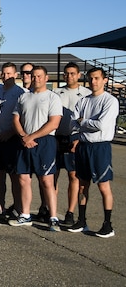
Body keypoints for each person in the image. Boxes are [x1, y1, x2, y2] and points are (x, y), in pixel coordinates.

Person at [9, 65, 63, 231]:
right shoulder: (23, 97)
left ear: (46, 78)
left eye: (39, 76)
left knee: (47, 180)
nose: (36, 79)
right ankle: (25, 215)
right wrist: (24, 136)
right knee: (23, 179)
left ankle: (53, 217)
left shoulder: (52, 98)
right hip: (24, 141)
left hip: (44, 142)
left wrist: (32, 136)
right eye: (33, 76)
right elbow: (16, 119)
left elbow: (54, 122)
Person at [68, 67, 119, 238]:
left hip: (100, 147)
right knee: (83, 185)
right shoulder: (83, 101)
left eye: (97, 78)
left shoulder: (110, 101)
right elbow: (72, 124)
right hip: (83, 146)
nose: (93, 82)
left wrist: (83, 121)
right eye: (91, 78)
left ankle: (108, 224)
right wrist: (85, 123)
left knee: (103, 186)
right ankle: (81, 219)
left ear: (104, 80)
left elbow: (102, 125)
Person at [53, 62, 91, 225]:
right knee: (51, 176)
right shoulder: (56, 92)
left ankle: (70, 212)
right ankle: (48, 208)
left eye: (73, 73)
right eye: (67, 73)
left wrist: (78, 138)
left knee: (73, 176)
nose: (69, 76)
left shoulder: (86, 94)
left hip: (74, 139)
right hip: (56, 137)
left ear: (79, 75)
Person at [0, 62, 27, 221]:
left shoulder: (22, 93)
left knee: (14, 176)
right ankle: (0, 207)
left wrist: (11, 133)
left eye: (9, 74)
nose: (6, 77)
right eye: (4, 74)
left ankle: (18, 207)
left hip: (13, 139)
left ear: (16, 75)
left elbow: (23, 119)